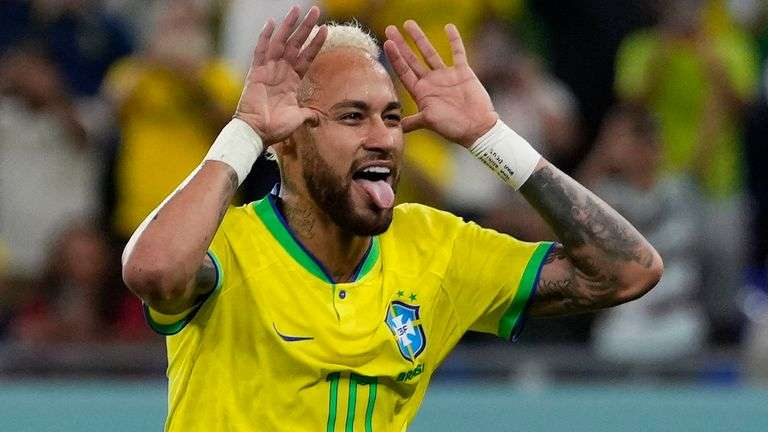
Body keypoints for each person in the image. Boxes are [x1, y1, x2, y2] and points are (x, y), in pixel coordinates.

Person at [122, 6, 662, 430]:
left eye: (392, 116)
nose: (383, 138)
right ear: (287, 140)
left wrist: (492, 140)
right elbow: (153, 273)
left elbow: (627, 271)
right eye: (352, 117)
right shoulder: (227, 245)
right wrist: (245, 132)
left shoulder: (437, 247)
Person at [580, 105, 707, 364]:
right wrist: (603, 153)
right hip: (625, 324)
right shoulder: (606, 196)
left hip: (677, 317)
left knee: (690, 329)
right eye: (625, 144)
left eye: (644, 144)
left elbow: (704, 145)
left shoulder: (680, 191)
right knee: (610, 338)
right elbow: (564, 209)